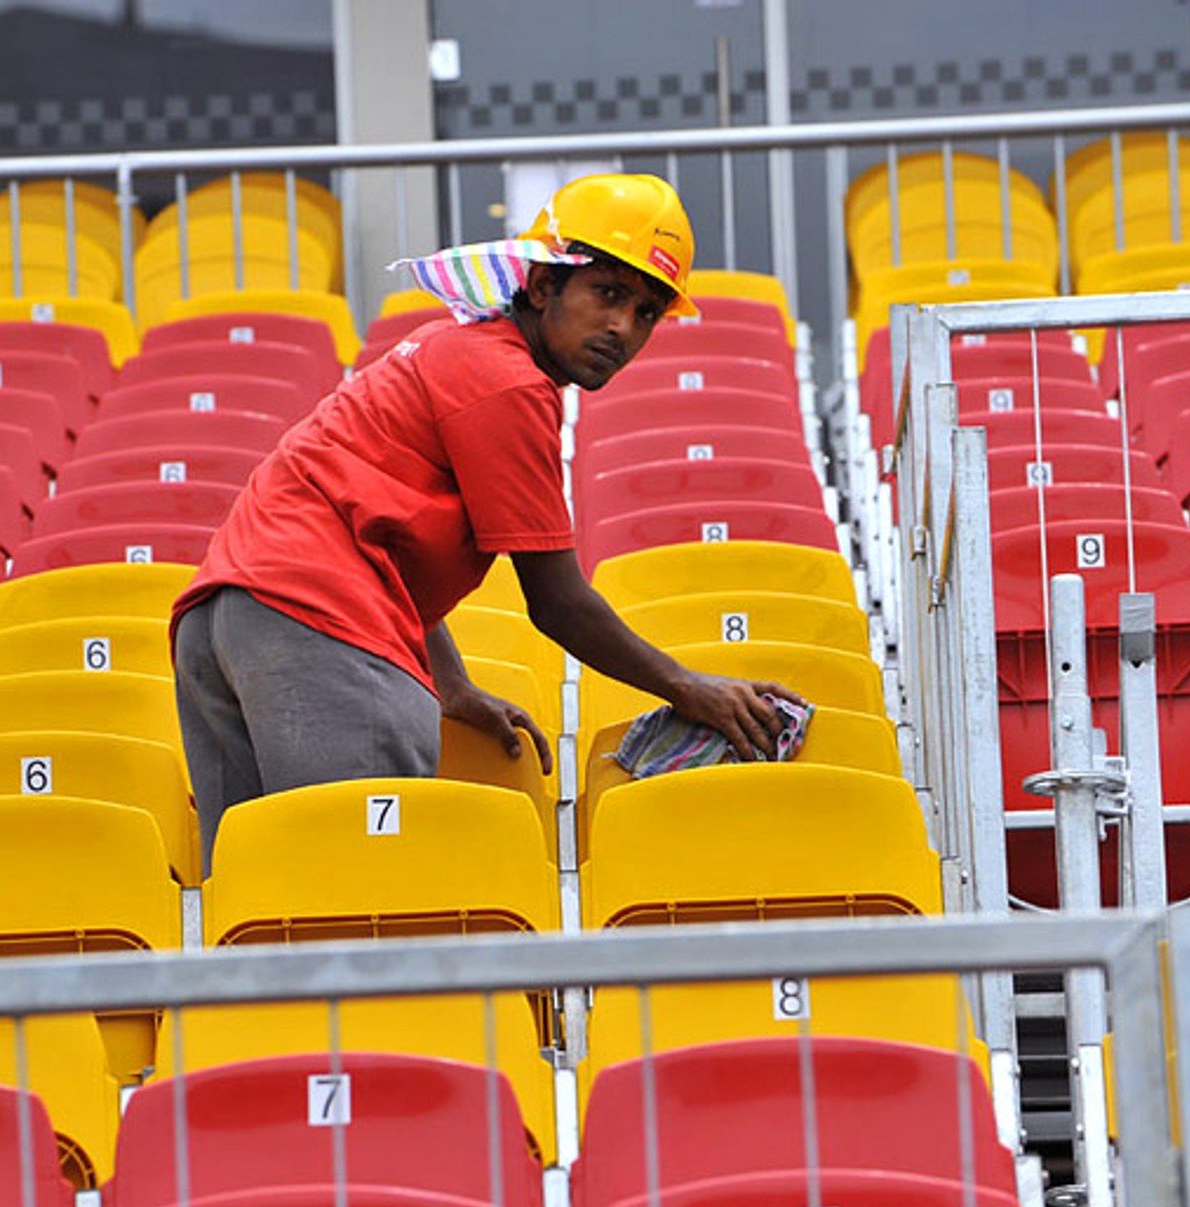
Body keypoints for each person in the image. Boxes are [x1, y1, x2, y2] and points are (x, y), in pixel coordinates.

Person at [171, 172, 801, 866]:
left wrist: (453, 685)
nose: (623, 327)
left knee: (258, 905)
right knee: (355, 896)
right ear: (541, 286)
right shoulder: (508, 383)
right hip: (316, 628)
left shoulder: (456, 351)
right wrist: (691, 689)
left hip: (222, 618)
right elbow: (558, 603)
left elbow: (378, 540)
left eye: (647, 312)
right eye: (609, 293)